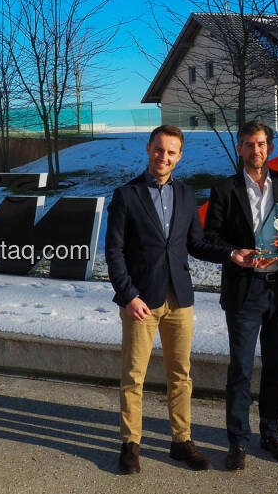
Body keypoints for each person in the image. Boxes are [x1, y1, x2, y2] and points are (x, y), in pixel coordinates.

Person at [106, 124, 250, 474]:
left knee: (181, 375)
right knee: (134, 376)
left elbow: (197, 244)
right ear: (149, 149)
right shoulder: (127, 195)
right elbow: (114, 251)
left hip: (179, 299)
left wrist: (231, 254)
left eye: (171, 152)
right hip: (141, 301)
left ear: (179, 157)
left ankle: (181, 441)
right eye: (159, 149)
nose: (164, 157)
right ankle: (131, 444)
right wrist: (128, 295)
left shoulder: (187, 196)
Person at [204, 120, 278, 471]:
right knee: (240, 368)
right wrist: (235, 253)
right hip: (244, 291)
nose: (256, 151)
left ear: (270, 147)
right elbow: (211, 238)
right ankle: (237, 441)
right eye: (249, 145)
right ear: (239, 149)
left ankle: (271, 433)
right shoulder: (224, 190)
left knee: (276, 368)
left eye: (262, 144)